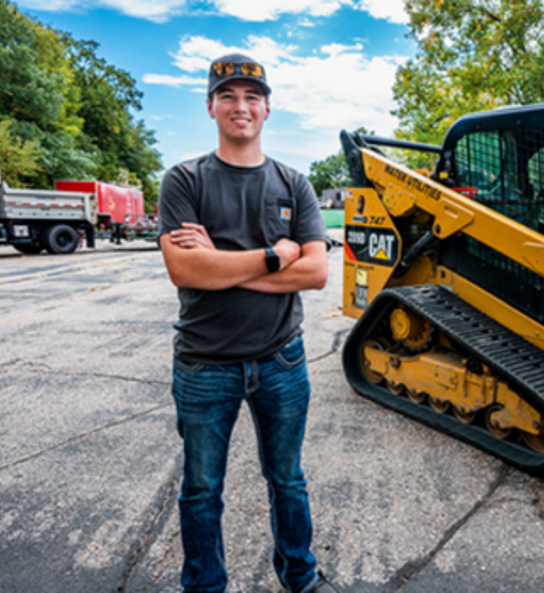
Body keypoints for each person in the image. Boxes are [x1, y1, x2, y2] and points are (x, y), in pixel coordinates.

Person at [158, 53, 336, 593]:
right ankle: (205, 586)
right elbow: (185, 268)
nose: (241, 107)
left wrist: (224, 265)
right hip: (204, 364)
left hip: (281, 360)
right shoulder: (184, 180)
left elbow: (318, 273)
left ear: (266, 109)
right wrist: (273, 257)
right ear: (211, 106)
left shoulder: (293, 182)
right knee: (201, 489)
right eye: (229, 96)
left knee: (287, 480)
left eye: (252, 97)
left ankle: (300, 578)